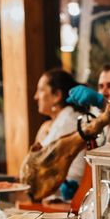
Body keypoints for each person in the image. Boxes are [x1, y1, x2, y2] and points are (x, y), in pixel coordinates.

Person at [32, 68, 84, 201]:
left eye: (41, 90)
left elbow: (74, 172)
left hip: (63, 199)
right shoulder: (56, 122)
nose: (36, 96)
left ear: (57, 95)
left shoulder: (69, 121)